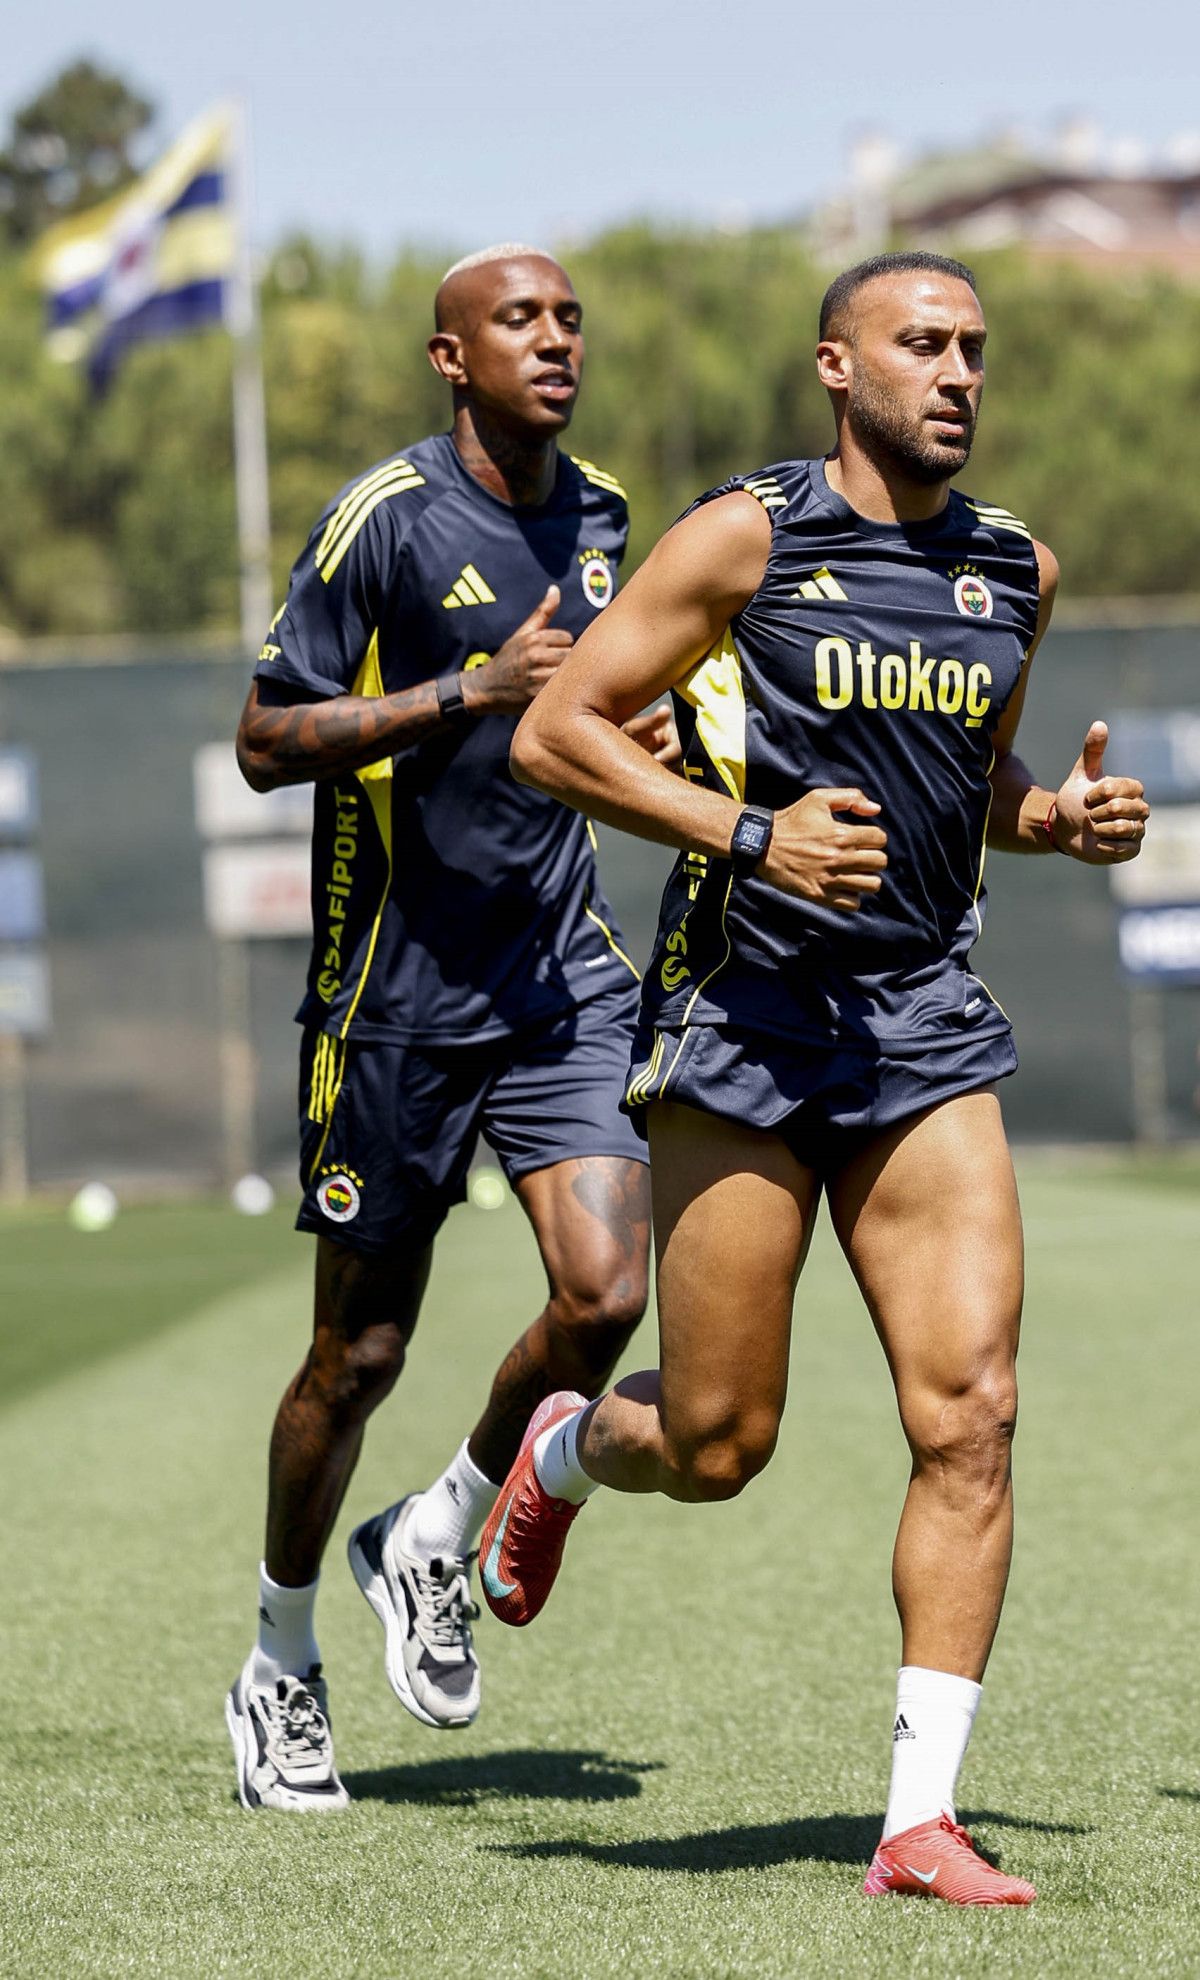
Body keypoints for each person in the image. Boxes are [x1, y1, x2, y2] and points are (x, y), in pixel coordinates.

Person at [482, 250, 1149, 1903]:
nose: (960, 374)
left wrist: (1054, 820)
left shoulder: (1013, 568)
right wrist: (749, 835)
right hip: (748, 1025)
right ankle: (563, 1453)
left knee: (973, 1415)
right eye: (924, 344)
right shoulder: (747, 536)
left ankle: (918, 1822)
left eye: (975, 348)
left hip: (924, 1027)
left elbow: (969, 781)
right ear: (839, 367)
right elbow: (556, 733)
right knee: (719, 1443)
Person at [225, 244, 674, 1812]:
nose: (555, 341)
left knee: (607, 1291)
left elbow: (600, 713)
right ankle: (280, 1660)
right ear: (450, 356)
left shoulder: (606, 516)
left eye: (570, 319)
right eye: (520, 321)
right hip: (392, 1001)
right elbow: (264, 737)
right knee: (357, 1355)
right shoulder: (386, 518)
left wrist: (634, 728)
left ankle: (438, 1531)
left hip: (558, 977)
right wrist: (463, 695)